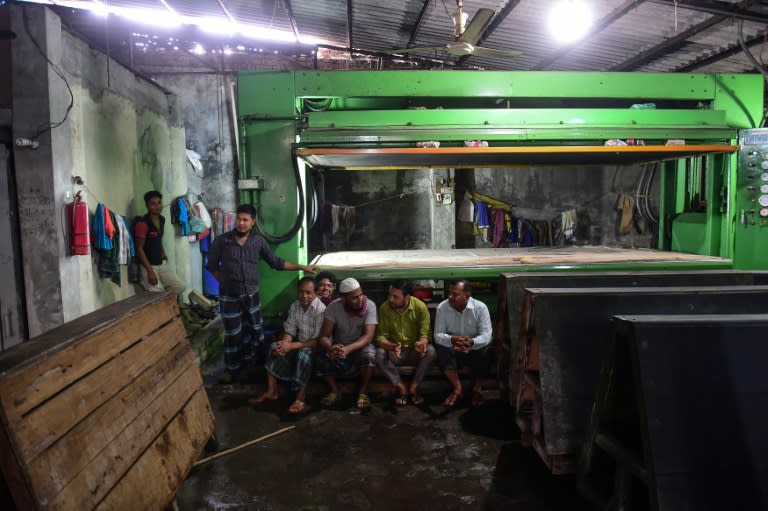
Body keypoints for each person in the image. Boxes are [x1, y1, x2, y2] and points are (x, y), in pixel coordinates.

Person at [207, 204, 317, 383]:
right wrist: (226, 284)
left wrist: (303, 267)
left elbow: (276, 262)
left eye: (245, 220)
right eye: (239, 219)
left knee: (255, 332)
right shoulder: (222, 241)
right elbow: (212, 266)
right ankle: (232, 369)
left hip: (251, 295)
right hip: (230, 297)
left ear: (252, 222)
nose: (241, 223)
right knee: (233, 334)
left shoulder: (258, 242)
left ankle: (252, 366)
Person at [250, 276, 325, 414]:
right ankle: (272, 391)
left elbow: (318, 341)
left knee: (304, 354)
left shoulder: (321, 310)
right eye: (301, 292)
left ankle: (301, 397)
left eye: (308, 292)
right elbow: (289, 331)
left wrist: (291, 346)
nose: (304, 296)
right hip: (298, 344)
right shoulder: (295, 306)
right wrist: (284, 344)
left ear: (315, 293)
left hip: (315, 348)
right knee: (274, 347)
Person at [316, 277, 377, 410]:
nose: (360, 299)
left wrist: (348, 348)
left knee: (370, 352)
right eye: (355, 297)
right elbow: (324, 336)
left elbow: (368, 336)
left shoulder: (370, 305)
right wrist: (332, 347)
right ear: (343, 299)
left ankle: (363, 392)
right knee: (321, 351)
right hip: (339, 348)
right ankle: (335, 390)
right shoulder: (333, 307)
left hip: (358, 348)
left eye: (360, 294)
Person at [375, 280, 435, 406]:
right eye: (390, 295)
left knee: (430, 351)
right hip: (395, 352)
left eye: (395, 296)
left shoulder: (420, 307)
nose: (391, 299)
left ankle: (414, 387)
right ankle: (400, 386)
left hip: (414, 352)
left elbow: (426, 334)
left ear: (407, 297)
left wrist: (421, 343)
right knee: (379, 353)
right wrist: (392, 346)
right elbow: (380, 336)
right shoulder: (385, 308)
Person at [433, 279, 492, 407]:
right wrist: (452, 340)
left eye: (455, 294)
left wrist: (471, 342)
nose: (450, 297)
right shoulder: (442, 308)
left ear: (467, 296)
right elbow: (437, 335)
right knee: (442, 348)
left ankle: (477, 389)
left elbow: (487, 335)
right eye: (450, 293)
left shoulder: (480, 308)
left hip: (473, 350)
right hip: (453, 349)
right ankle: (457, 388)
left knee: (486, 350)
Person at [133, 190, 185, 295]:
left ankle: (165, 301)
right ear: (147, 206)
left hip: (161, 264)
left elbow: (158, 237)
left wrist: (163, 251)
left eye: (159, 202)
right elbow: (139, 249)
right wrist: (150, 271)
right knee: (157, 294)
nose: (157, 206)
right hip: (148, 266)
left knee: (180, 287)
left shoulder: (162, 220)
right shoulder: (143, 224)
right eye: (153, 204)